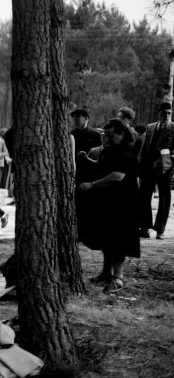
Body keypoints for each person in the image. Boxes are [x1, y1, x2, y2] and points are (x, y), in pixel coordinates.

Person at [77, 119, 140, 293]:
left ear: (122, 134)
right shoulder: (110, 151)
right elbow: (103, 167)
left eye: (111, 136)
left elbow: (117, 176)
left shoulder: (127, 152)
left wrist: (93, 184)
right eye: (105, 135)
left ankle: (118, 278)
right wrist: (87, 160)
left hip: (123, 204)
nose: (107, 139)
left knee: (119, 240)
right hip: (110, 202)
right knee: (107, 238)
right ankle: (106, 273)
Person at [138, 100, 174, 239]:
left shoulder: (173, 128)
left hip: (164, 168)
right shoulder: (150, 127)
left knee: (164, 198)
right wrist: (140, 163)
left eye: (169, 113)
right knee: (144, 197)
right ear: (158, 113)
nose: (167, 115)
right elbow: (144, 147)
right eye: (164, 113)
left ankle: (160, 230)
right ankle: (145, 227)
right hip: (147, 168)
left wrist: (163, 162)